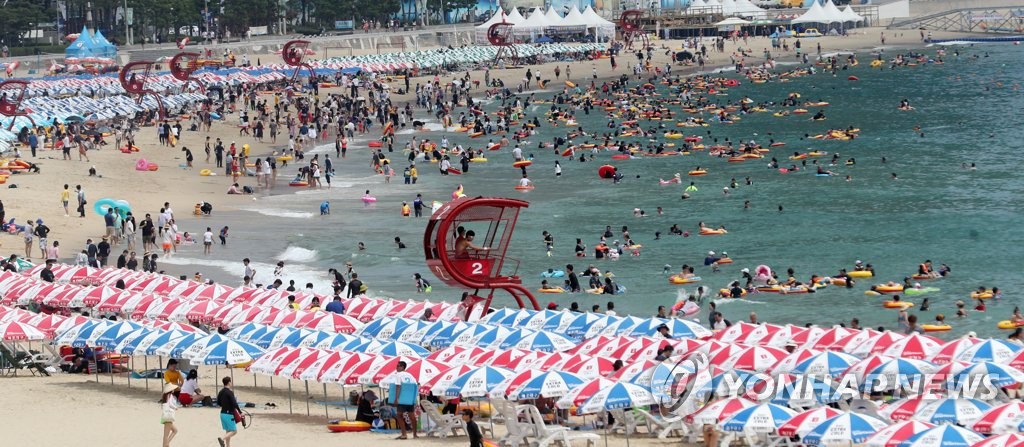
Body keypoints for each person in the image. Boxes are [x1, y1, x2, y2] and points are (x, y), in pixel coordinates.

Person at [385, 361, 418, 439]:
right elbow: (415, 386)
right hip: (410, 399)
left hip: (402, 399)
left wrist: (396, 398)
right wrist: (414, 399)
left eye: (398, 366)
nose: (396, 367)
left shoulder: (398, 375)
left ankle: (404, 434)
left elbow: (398, 387)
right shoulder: (410, 375)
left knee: (399, 415)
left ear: (403, 367)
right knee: (412, 416)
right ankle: (415, 435)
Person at [217, 376, 241, 447]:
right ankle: (222, 439)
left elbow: (218, 403)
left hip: (222, 414)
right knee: (234, 431)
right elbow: (234, 403)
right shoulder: (230, 392)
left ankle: (228, 446)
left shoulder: (221, 392)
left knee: (228, 431)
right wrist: (240, 412)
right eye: (230, 381)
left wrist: (225, 405)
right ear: (229, 382)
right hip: (229, 415)